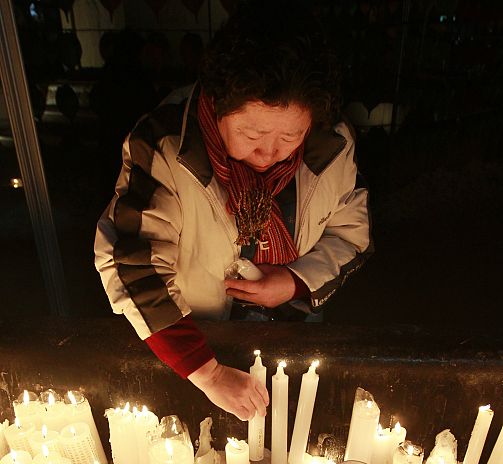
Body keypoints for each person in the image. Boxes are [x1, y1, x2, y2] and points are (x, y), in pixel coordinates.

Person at [94, 1, 372, 421]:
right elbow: (133, 261)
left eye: (290, 136)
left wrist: (296, 281)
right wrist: (206, 373)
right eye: (251, 133)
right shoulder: (167, 145)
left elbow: (351, 234)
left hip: (293, 336)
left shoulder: (331, 146)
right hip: (192, 337)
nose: (269, 153)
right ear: (218, 104)